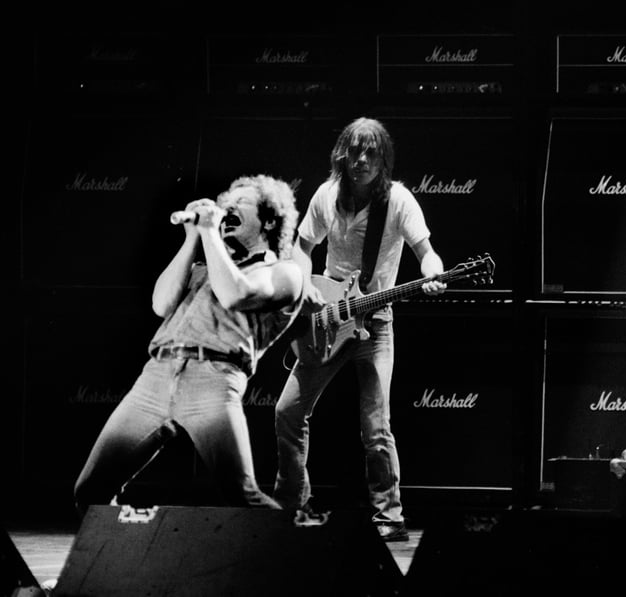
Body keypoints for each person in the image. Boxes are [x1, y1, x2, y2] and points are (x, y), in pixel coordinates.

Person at [74, 174, 303, 515]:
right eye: (226, 203)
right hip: (156, 376)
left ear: (269, 220)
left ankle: (297, 558)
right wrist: (193, 239)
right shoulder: (202, 268)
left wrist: (210, 232)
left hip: (213, 378)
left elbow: (235, 293)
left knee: (242, 496)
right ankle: (127, 562)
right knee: (90, 490)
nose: (227, 208)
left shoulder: (283, 273)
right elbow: (161, 304)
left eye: (240, 202)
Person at [272, 117, 446, 541]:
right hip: (327, 317)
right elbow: (301, 247)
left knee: (375, 427)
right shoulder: (326, 195)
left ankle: (389, 515)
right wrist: (305, 287)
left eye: (371, 153)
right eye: (355, 151)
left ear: (383, 159)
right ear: (342, 155)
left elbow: (427, 253)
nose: (362, 160)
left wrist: (435, 274)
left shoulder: (399, 201)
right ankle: (292, 506)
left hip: (375, 321)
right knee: (287, 412)